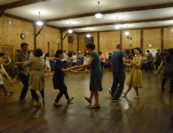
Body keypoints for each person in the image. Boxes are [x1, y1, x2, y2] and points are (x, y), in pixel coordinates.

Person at [77, 43, 103, 109]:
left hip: (96, 72)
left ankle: (97, 104)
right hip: (96, 71)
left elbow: (88, 64)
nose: (85, 49)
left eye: (86, 48)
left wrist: (79, 67)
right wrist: (81, 68)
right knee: (93, 86)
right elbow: (90, 64)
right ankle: (90, 99)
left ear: (88, 48)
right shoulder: (94, 53)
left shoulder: (92, 54)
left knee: (94, 87)